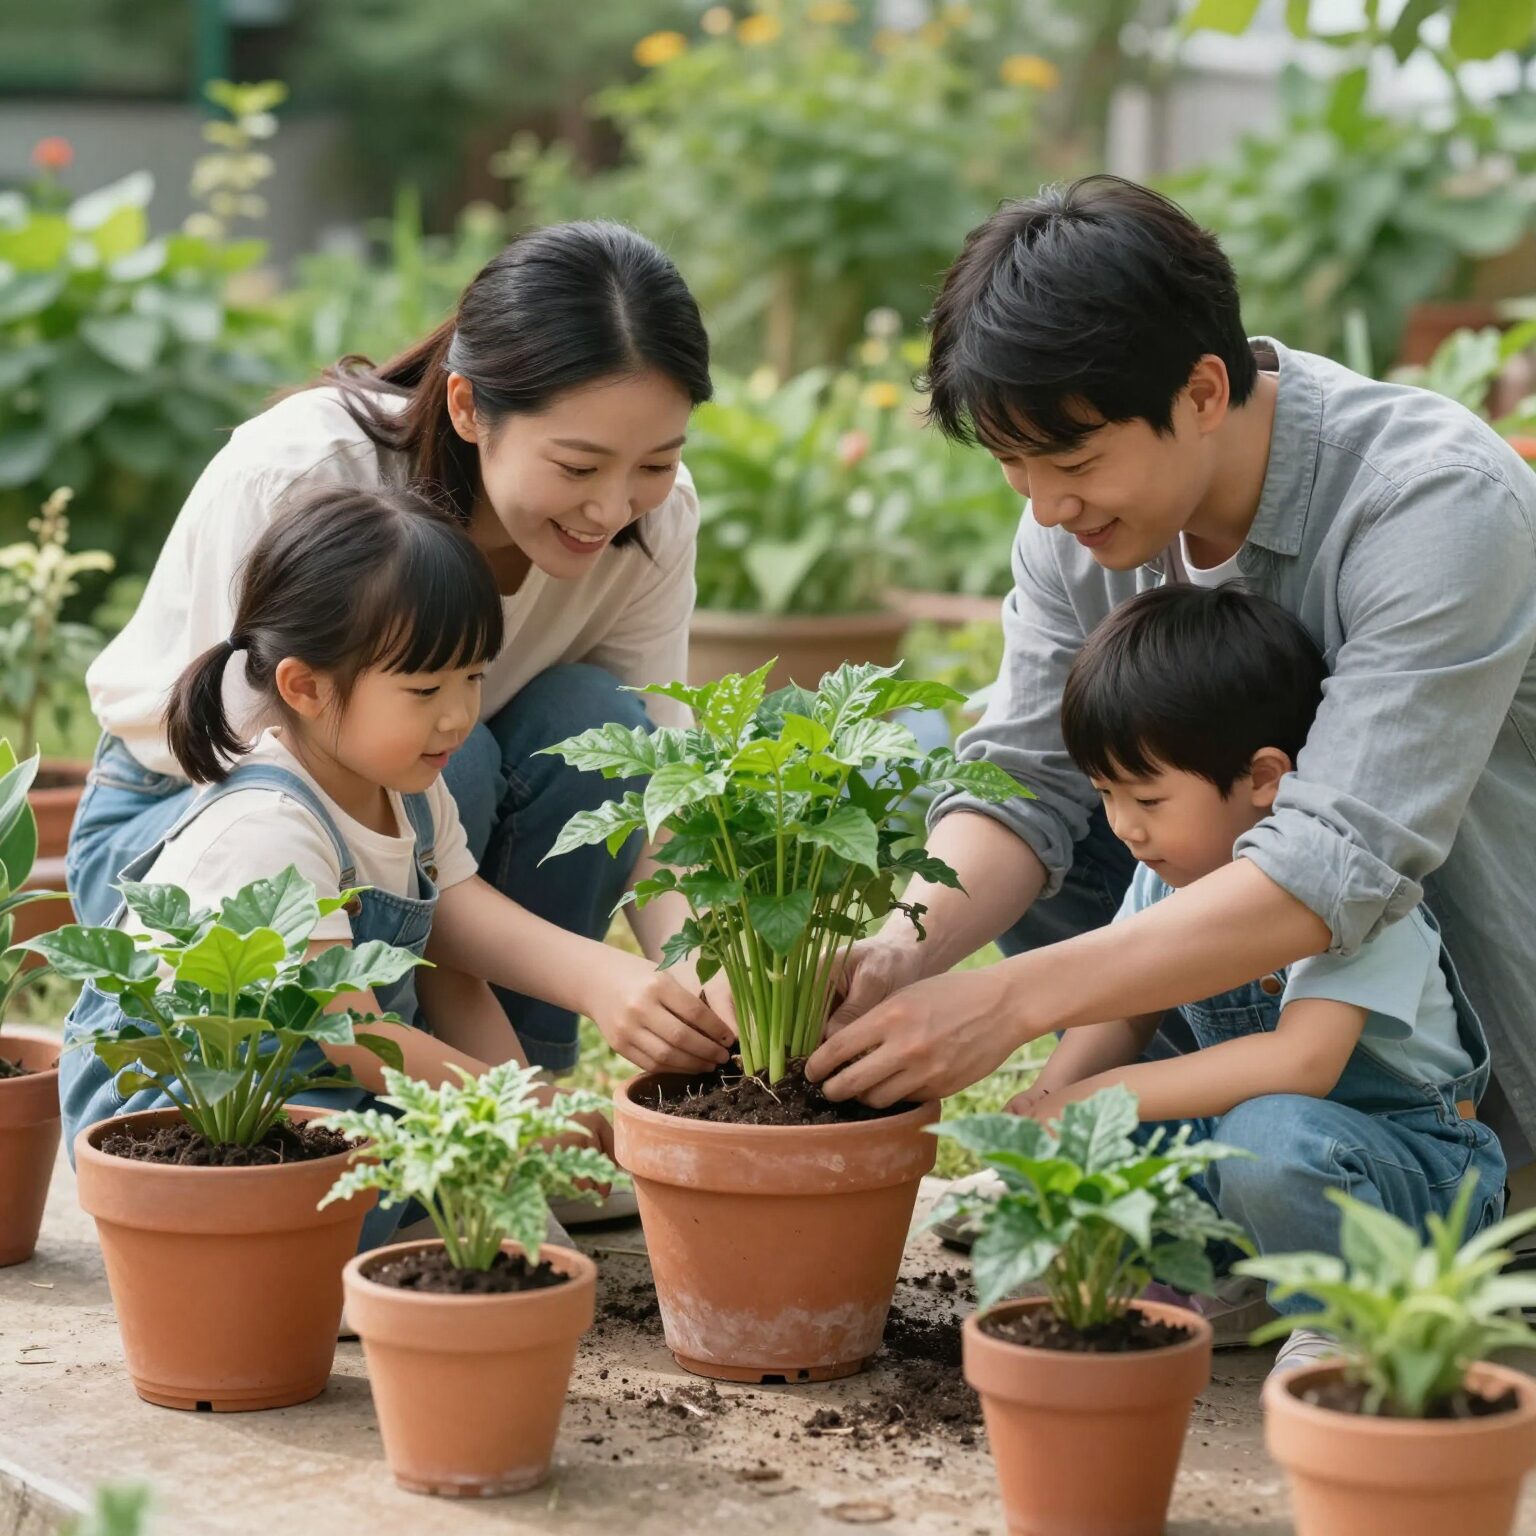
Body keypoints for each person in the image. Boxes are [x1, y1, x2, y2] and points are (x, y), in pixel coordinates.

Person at [806, 177, 1536, 1189]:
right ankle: (1201, 1140)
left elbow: (1338, 866)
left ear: (1200, 394)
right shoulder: (1076, 520)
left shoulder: (1433, 504)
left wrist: (1011, 1000)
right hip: (1230, 970)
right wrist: (902, 950)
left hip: (1443, 1038)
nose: (1048, 506)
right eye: (1015, 466)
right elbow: (1026, 777)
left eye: (1071, 458)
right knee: (974, 770)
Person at [72, 220, 730, 1082]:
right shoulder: (305, 473)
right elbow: (264, 787)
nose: (612, 509)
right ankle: (418, 1115)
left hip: (424, 813)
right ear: (467, 407)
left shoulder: (655, 518)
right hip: (196, 830)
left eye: (656, 461)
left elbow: (653, 779)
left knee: (599, 733)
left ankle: (526, 1115)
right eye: (577, 467)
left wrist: (697, 971)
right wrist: (594, 978)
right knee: (441, 759)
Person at [59, 487, 725, 1238]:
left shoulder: (408, 787)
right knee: (374, 1182)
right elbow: (353, 1036)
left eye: (473, 677)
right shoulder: (268, 828)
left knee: (443, 1170)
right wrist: (514, 1116)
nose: (458, 714)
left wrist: (531, 1098)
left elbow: (461, 972)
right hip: (187, 1124)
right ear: (305, 687)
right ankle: (336, 1268)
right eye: (424, 689)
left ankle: (411, 1233)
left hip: (321, 1092)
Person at [998, 584, 1503, 1371]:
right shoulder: (1166, 875)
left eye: (1148, 797)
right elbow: (1120, 1014)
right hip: (1266, 1152)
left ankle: (1344, 1318)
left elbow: (1301, 1064)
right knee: (1130, 1135)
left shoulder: (1359, 895)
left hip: (1410, 1177)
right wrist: (1047, 1116)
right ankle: (1225, 1277)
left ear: (1264, 777)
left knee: (1266, 1135)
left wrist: (1103, 1097)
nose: (1125, 827)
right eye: (1105, 795)